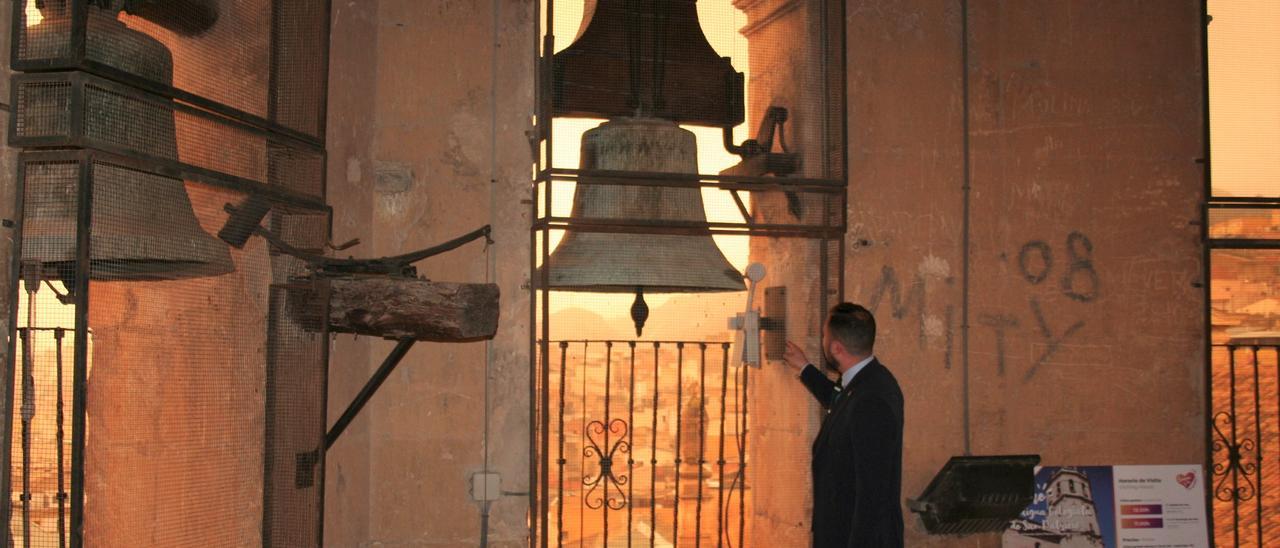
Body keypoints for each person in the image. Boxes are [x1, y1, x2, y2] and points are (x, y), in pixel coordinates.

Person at [783, 303, 904, 547]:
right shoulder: (866, 381)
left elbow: (872, 494)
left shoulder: (871, 399)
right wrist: (805, 368)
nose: (822, 340)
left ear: (836, 348)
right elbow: (842, 405)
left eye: (824, 336)